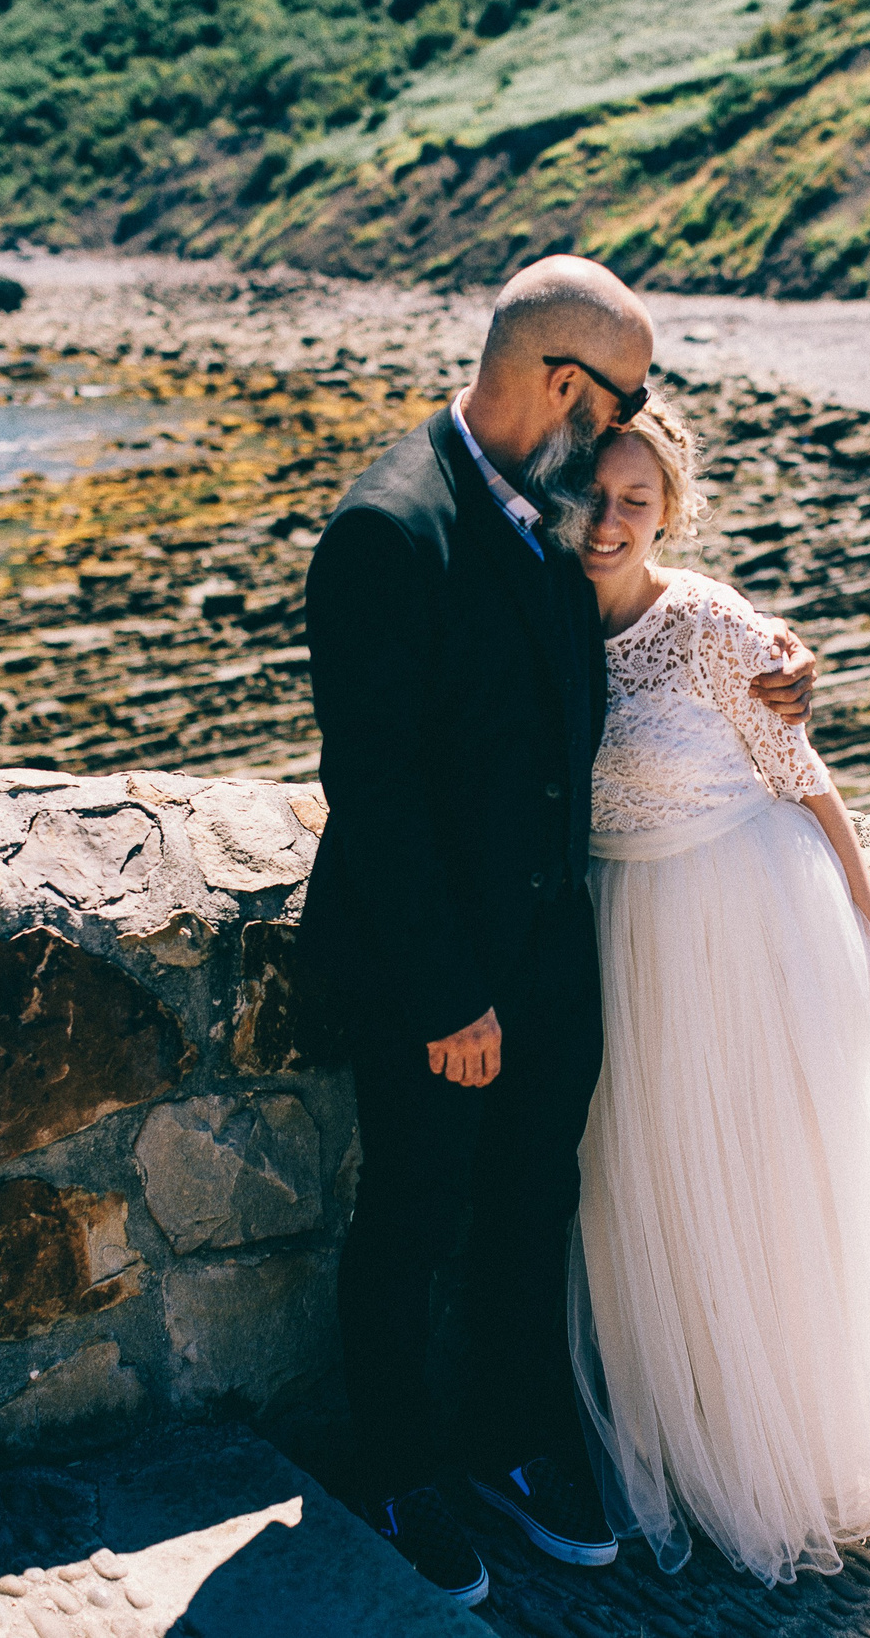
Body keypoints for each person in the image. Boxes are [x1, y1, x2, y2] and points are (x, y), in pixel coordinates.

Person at [299, 255, 818, 1607]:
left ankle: (507, 1444)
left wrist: (770, 661)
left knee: (536, 1203)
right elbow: (378, 788)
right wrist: (444, 993)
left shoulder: (552, 502)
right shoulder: (387, 528)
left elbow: (640, 604)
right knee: (413, 1216)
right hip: (442, 971)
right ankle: (400, 1474)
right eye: (633, 390)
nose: (637, 417)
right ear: (567, 384)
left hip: (552, 949)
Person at [563, 401, 870, 1587]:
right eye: (593, 495)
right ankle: (688, 1439)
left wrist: (865, 930)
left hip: (739, 922)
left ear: (671, 513)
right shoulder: (542, 604)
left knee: (756, 1190)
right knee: (649, 1192)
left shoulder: (706, 622)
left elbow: (804, 781)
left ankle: (773, 1457)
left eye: (634, 503)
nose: (608, 521)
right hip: (619, 928)